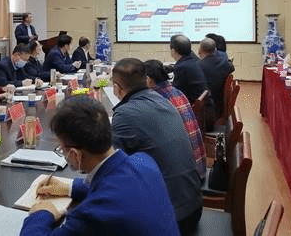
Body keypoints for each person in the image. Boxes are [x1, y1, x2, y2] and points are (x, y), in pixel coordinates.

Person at [20, 96, 181, 236]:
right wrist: (69, 187)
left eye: (62, 150)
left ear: (75, 154)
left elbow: (109, 198)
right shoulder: (144, 161)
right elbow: (117, 185)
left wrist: (42, 213)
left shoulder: (93, 214)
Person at [111, 58, 202, 235]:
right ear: (146, 80)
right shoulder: (162, 100)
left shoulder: (125, 114)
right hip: (193, 204)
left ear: (116, 87)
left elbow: (109, 171)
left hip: (172, 220)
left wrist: (73, 186)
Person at [144, 59, 206, 182]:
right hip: (197, 167)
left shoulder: (158, 100)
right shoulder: (177, 92)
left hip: (186, 178)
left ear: (149, 80)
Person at [198, 37, 235, 128]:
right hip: (219, 104)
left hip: (209, 108)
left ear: (200, 50)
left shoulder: (199, 66)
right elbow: (232, 67)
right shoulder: (225, 63)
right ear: (215, 50)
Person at [170, 35, 208, 103]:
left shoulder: (181, 67)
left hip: (191, 103)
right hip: (203, 102)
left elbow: (175, 92)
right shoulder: (194, 58)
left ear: (173, 51)